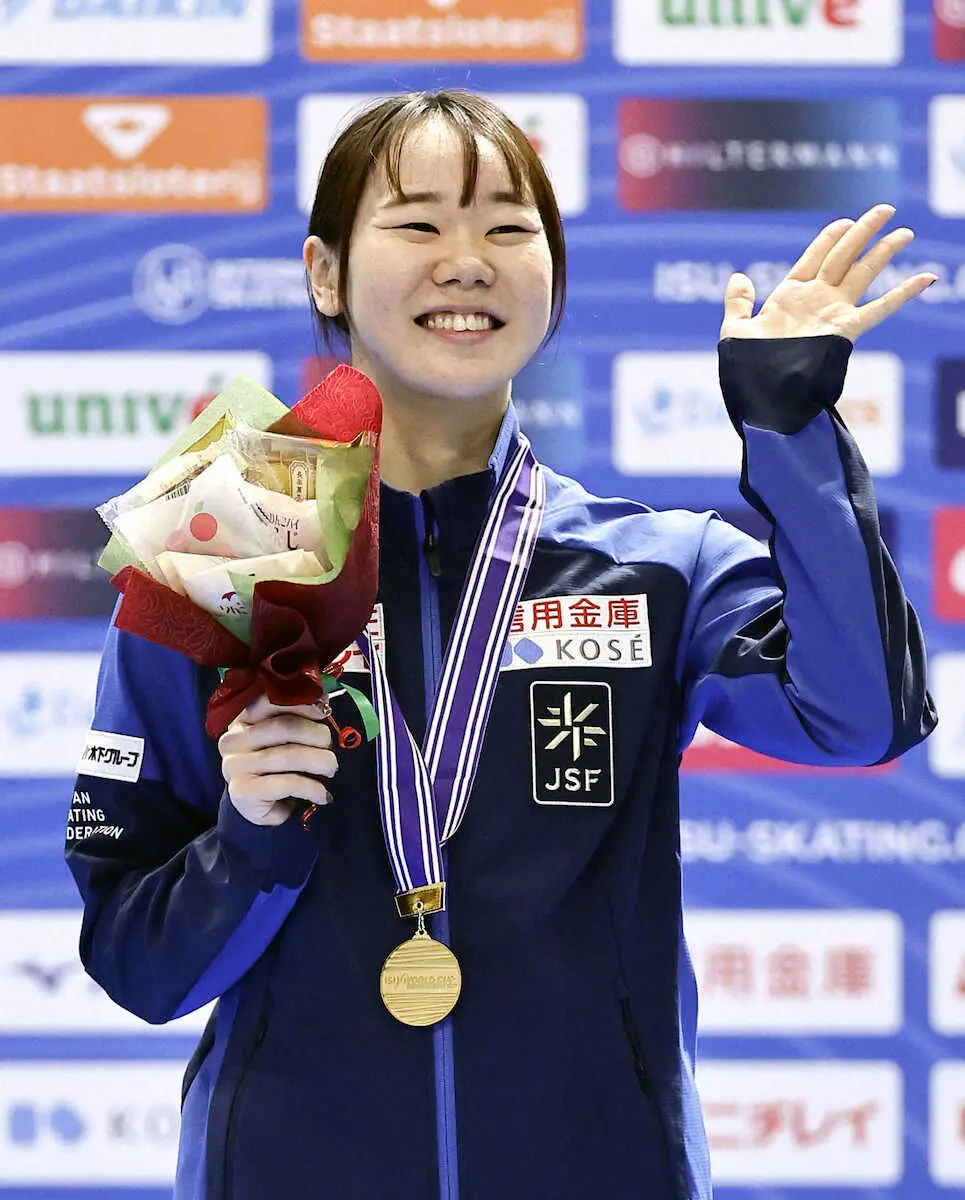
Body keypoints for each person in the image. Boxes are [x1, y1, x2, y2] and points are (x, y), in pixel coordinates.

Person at [66, 90, 937, 1200]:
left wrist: (789, 428)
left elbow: (862, 717)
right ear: (325, 272)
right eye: (418, 223)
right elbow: (136, 963)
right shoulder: (218, 548)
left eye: (508, 228)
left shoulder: (656, 569)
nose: (467, 262)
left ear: (553, 278)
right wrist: (244, 839)